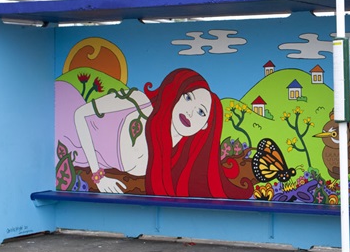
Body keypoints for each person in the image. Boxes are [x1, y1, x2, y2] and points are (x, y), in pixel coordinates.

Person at [56, 68, 252, 199]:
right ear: (176, 95)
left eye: (201, 112)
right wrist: (99, 176)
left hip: (75, 159)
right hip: (65, 126)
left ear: (205, 126)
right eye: (188, 97)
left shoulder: (172, 158)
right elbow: (80, 114)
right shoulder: (138, 103)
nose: (190, 111)